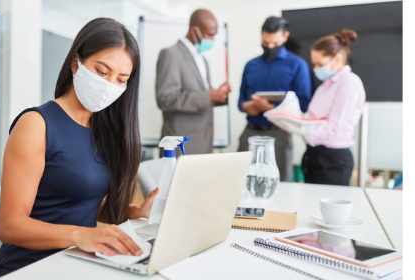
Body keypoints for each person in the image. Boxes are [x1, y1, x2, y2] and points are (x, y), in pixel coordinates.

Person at [0, 18, 159, 280]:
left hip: (78, 263)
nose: (109, 85)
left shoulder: (104, 130)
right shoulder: (36, 124)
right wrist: (81, 234)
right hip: (28, 269)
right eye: (102, 72)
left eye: (121, 79)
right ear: (76, 63)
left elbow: (80, 200)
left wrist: (136, 212)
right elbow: (10, 226)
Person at [237, 16, 312, 182]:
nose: (270, 46)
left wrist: (270, 108)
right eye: (265, 42)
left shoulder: (297, 65)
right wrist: (247, 106)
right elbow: (240, 101)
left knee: (280, 185)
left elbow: (303, 105)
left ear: (285, 37)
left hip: (279, 135)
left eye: (275, 43)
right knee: (241, 182)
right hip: (249, 133)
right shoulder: (250, 65)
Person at [155, 9, 231, 156]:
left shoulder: (202, 59)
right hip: (181, 146)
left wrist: (218, 94)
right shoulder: (170, 54)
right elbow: (165, 99)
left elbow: (200, 93)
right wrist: (208, 96)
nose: (212, 40)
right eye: (209, 35)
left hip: (203, 142)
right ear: (195, 30)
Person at [300, 29, 365, 185]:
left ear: (336, 59)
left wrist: (303, 130)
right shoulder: (325, 86)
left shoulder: (349, 83)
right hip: (313, 154)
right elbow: (314, 116)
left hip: (333, 161)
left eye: (319, 64)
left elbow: (335, 126)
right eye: (314, 64)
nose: (315, 68)